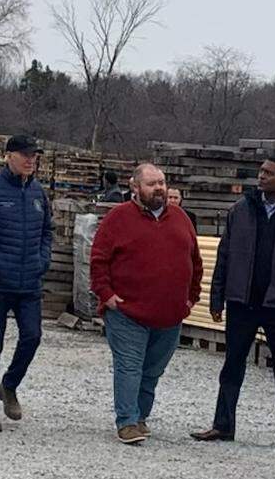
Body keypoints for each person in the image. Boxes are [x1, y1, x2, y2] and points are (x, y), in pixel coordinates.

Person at [190, 156, 275, 455]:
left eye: (270, 173)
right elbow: (224, 256)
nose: (262, 177)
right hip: (243, 302)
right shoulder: (241, 210)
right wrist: (217, 298)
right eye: (261, 172)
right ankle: (223, 425)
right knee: (232, 366)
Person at [90, 163, 203, 445]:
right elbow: (98, 260)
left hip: (170, 314)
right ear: (135, 186)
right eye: (152, 183)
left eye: (162, 183)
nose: (159, 188)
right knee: (129, 366)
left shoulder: (180, 218)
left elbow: (195, 261)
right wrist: (106, 295)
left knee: (152, 370)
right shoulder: (118, 218)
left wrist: (191, 298)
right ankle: (127, 421)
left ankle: (140, 416)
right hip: (127, 312)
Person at [0, 135, 53, 432]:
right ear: (9, 156)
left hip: (29, 282)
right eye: (25, 154)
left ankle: (9, 384)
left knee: (32, 336)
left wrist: (42, 261)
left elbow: (47, 232)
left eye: (35, 155)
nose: (31, 160)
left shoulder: (37, 193)